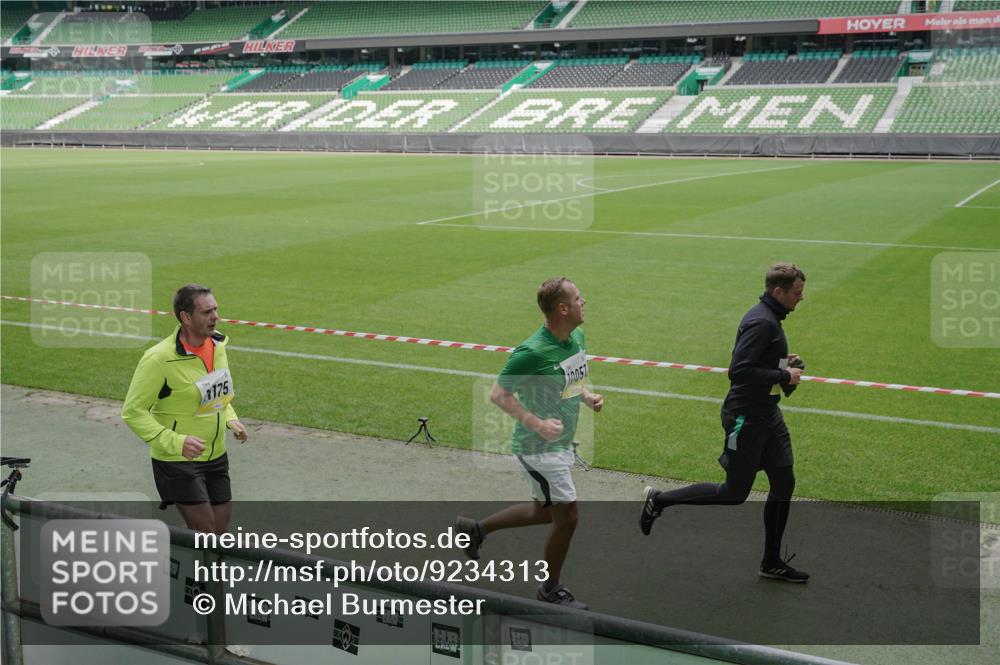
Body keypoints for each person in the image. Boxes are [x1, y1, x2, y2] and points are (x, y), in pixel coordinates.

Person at [639, 263, 809, 583]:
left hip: (768, 416)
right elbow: (739, 371)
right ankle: (659, 500)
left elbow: (758, 365)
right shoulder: (762, 322)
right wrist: (784, 374)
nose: (801, 299)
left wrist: (786, 364)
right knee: (734, 493)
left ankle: (771, 561)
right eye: (797, 293)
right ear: (778, 292)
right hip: (745, 419)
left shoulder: (771, 319)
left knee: (784, 483)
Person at [455, 277, 603, 609]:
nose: (585, 302)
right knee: (568, 517)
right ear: (563, 308)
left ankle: (476, 529)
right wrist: (536, 423)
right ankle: (551, 589)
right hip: (537, 448)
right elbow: (498, 395)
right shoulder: (531, 352)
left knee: (544, 511)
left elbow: (573, 379)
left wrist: (588, 396)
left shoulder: (575, 336)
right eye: (579, 298)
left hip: (561, 443)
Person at [122, 284, 248, 535]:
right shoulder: (159, 359)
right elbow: (133, 412)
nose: (215, 317)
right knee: (206, 530)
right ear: (185, 317)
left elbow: (218, 393)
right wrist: (177, 442)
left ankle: (190, 564)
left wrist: (230, 419)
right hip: (177, 460)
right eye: (206, 312)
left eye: (215, 309)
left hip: (216, 455)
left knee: (220, 533)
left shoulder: (218, 346)